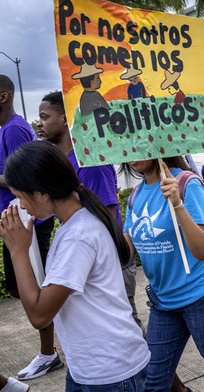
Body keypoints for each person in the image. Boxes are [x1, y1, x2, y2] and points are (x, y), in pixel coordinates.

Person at [0, 141, 150, 390]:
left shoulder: (78, 236)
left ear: (41, 193)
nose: (21, 206)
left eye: (20, 198)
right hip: (90, 368)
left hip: (112, 372)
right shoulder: (74, 223)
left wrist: (18, 251)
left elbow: (39, 314)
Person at [122, 157, 204, 391]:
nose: (134, 153)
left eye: (141, 145)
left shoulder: (185, 183)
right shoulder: (135, 197)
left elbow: (202, 250)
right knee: (154, 382)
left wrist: (177, 204)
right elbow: (125, 254)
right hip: (164, 303)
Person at [0, 77, 61, 381]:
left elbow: (26, 178)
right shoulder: (8, 129)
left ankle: (49, 353)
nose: (41, 122)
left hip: (29, 220)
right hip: (17, 221)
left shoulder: (14, 129)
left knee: (35, 288)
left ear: (3, 96)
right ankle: (52, 346)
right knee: (20, 287)